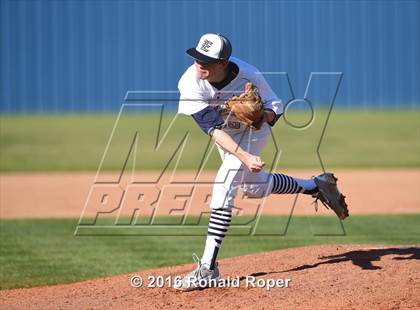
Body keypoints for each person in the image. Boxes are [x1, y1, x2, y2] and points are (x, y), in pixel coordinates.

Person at [174, 33, 348, 291]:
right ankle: (315, 185)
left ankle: (208, 268)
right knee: (253, 188)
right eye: (197, 57)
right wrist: (244, 156)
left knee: (224, 183)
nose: (199, 63)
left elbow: (275, 104)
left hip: (254, 131)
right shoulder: (190, 83)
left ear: (223, 63)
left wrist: (262, 115)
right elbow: (213, 130)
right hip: (226, 136)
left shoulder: (249, 74)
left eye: (206, 60)